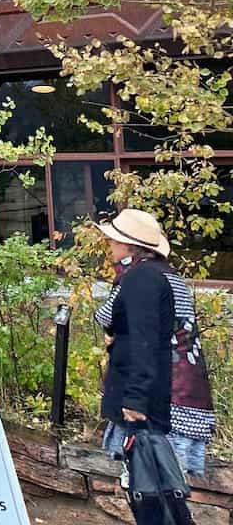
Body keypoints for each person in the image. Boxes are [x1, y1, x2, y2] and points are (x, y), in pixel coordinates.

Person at [96, 208, 202, 525]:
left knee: (153, 484)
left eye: (114, 240)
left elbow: (144, 336)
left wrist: (136, 396)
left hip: (154, 393)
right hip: (181, 386)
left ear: (129, 246)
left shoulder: (140, 277)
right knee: (163, 481)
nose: (110, 245)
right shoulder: (168, 276)